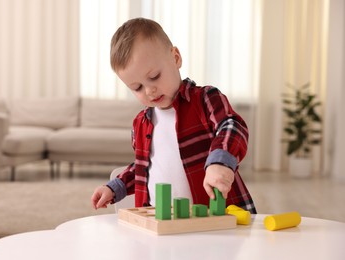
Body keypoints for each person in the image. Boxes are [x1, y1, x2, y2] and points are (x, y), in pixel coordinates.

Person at [91, 17, 257, 214]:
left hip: (214, 219)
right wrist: (114, 187)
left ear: (176, 58)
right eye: (137, 88)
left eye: (154, 77)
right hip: (160, 222)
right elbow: (144, 168)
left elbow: (232, 125)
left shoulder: (205, 99)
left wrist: (220, 162)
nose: (149, 90)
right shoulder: (140, 123)